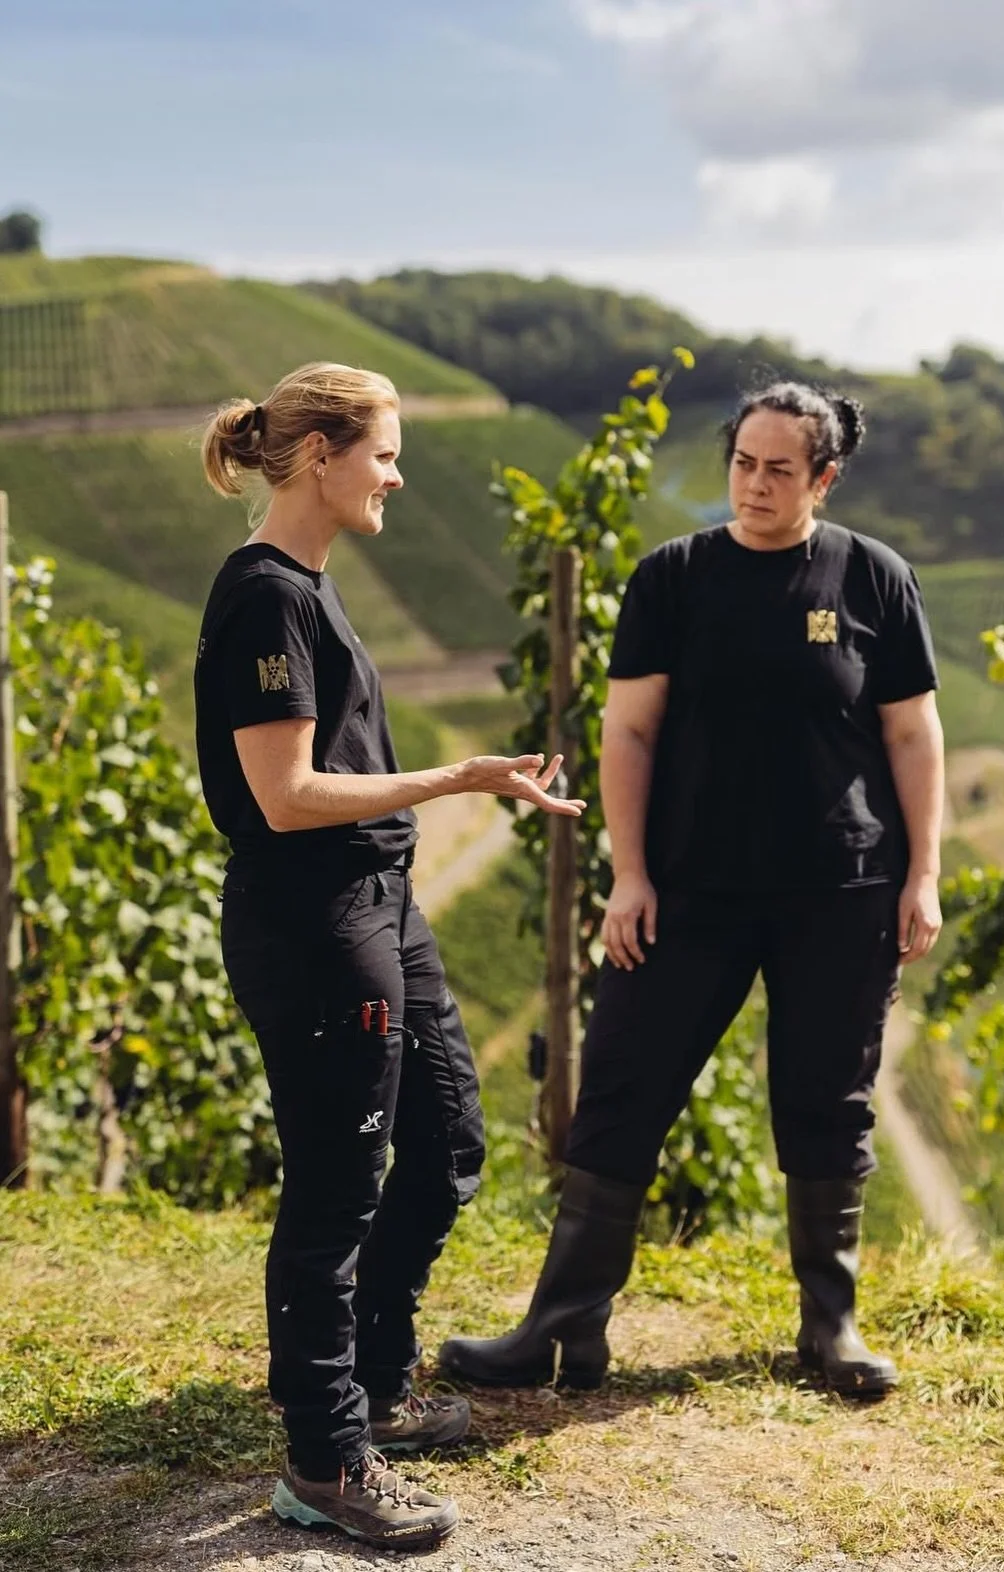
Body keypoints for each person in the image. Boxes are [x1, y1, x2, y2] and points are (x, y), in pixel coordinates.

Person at [439, 380, 944, 1399]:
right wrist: (628, 874)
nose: (754, 485)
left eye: (780, 470)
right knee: (623, 1085)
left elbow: (910, 734)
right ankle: (562, 1331)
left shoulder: (873, 579)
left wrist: (924, 873)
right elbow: (628, 731)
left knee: (827, 1100)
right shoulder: (672, 578)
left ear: (824, 479)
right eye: (742, 464)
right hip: (688, 890)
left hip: (840, 889)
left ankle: (830, 1329)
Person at [194, 362, 584, 1552]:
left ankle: (371, 1387)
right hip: (316, 922)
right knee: (337, 1187)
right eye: (384, 454)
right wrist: (459, 778)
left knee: (448, 1139)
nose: (398, 477)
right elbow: (286, 794)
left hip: (380, 907)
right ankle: (325, 1459)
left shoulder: (308, 586)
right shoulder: (266, 598)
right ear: (320, 455)